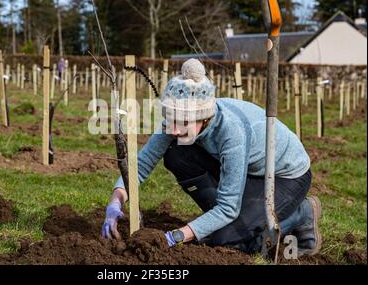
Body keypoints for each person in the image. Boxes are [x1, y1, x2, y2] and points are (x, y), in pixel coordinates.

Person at [101, 59, 321, 256]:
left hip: (285, 176)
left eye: (183, 123)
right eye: (170, 120)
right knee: (177, 153)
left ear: (204, 118)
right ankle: (227, 223)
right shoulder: (177, 119)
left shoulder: (232, 132)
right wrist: (116, 200)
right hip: (249, 169)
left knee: (227, 241)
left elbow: (227, 208)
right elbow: (141, 165)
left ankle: (302, 212)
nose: (174, 130)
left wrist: (175, 237)